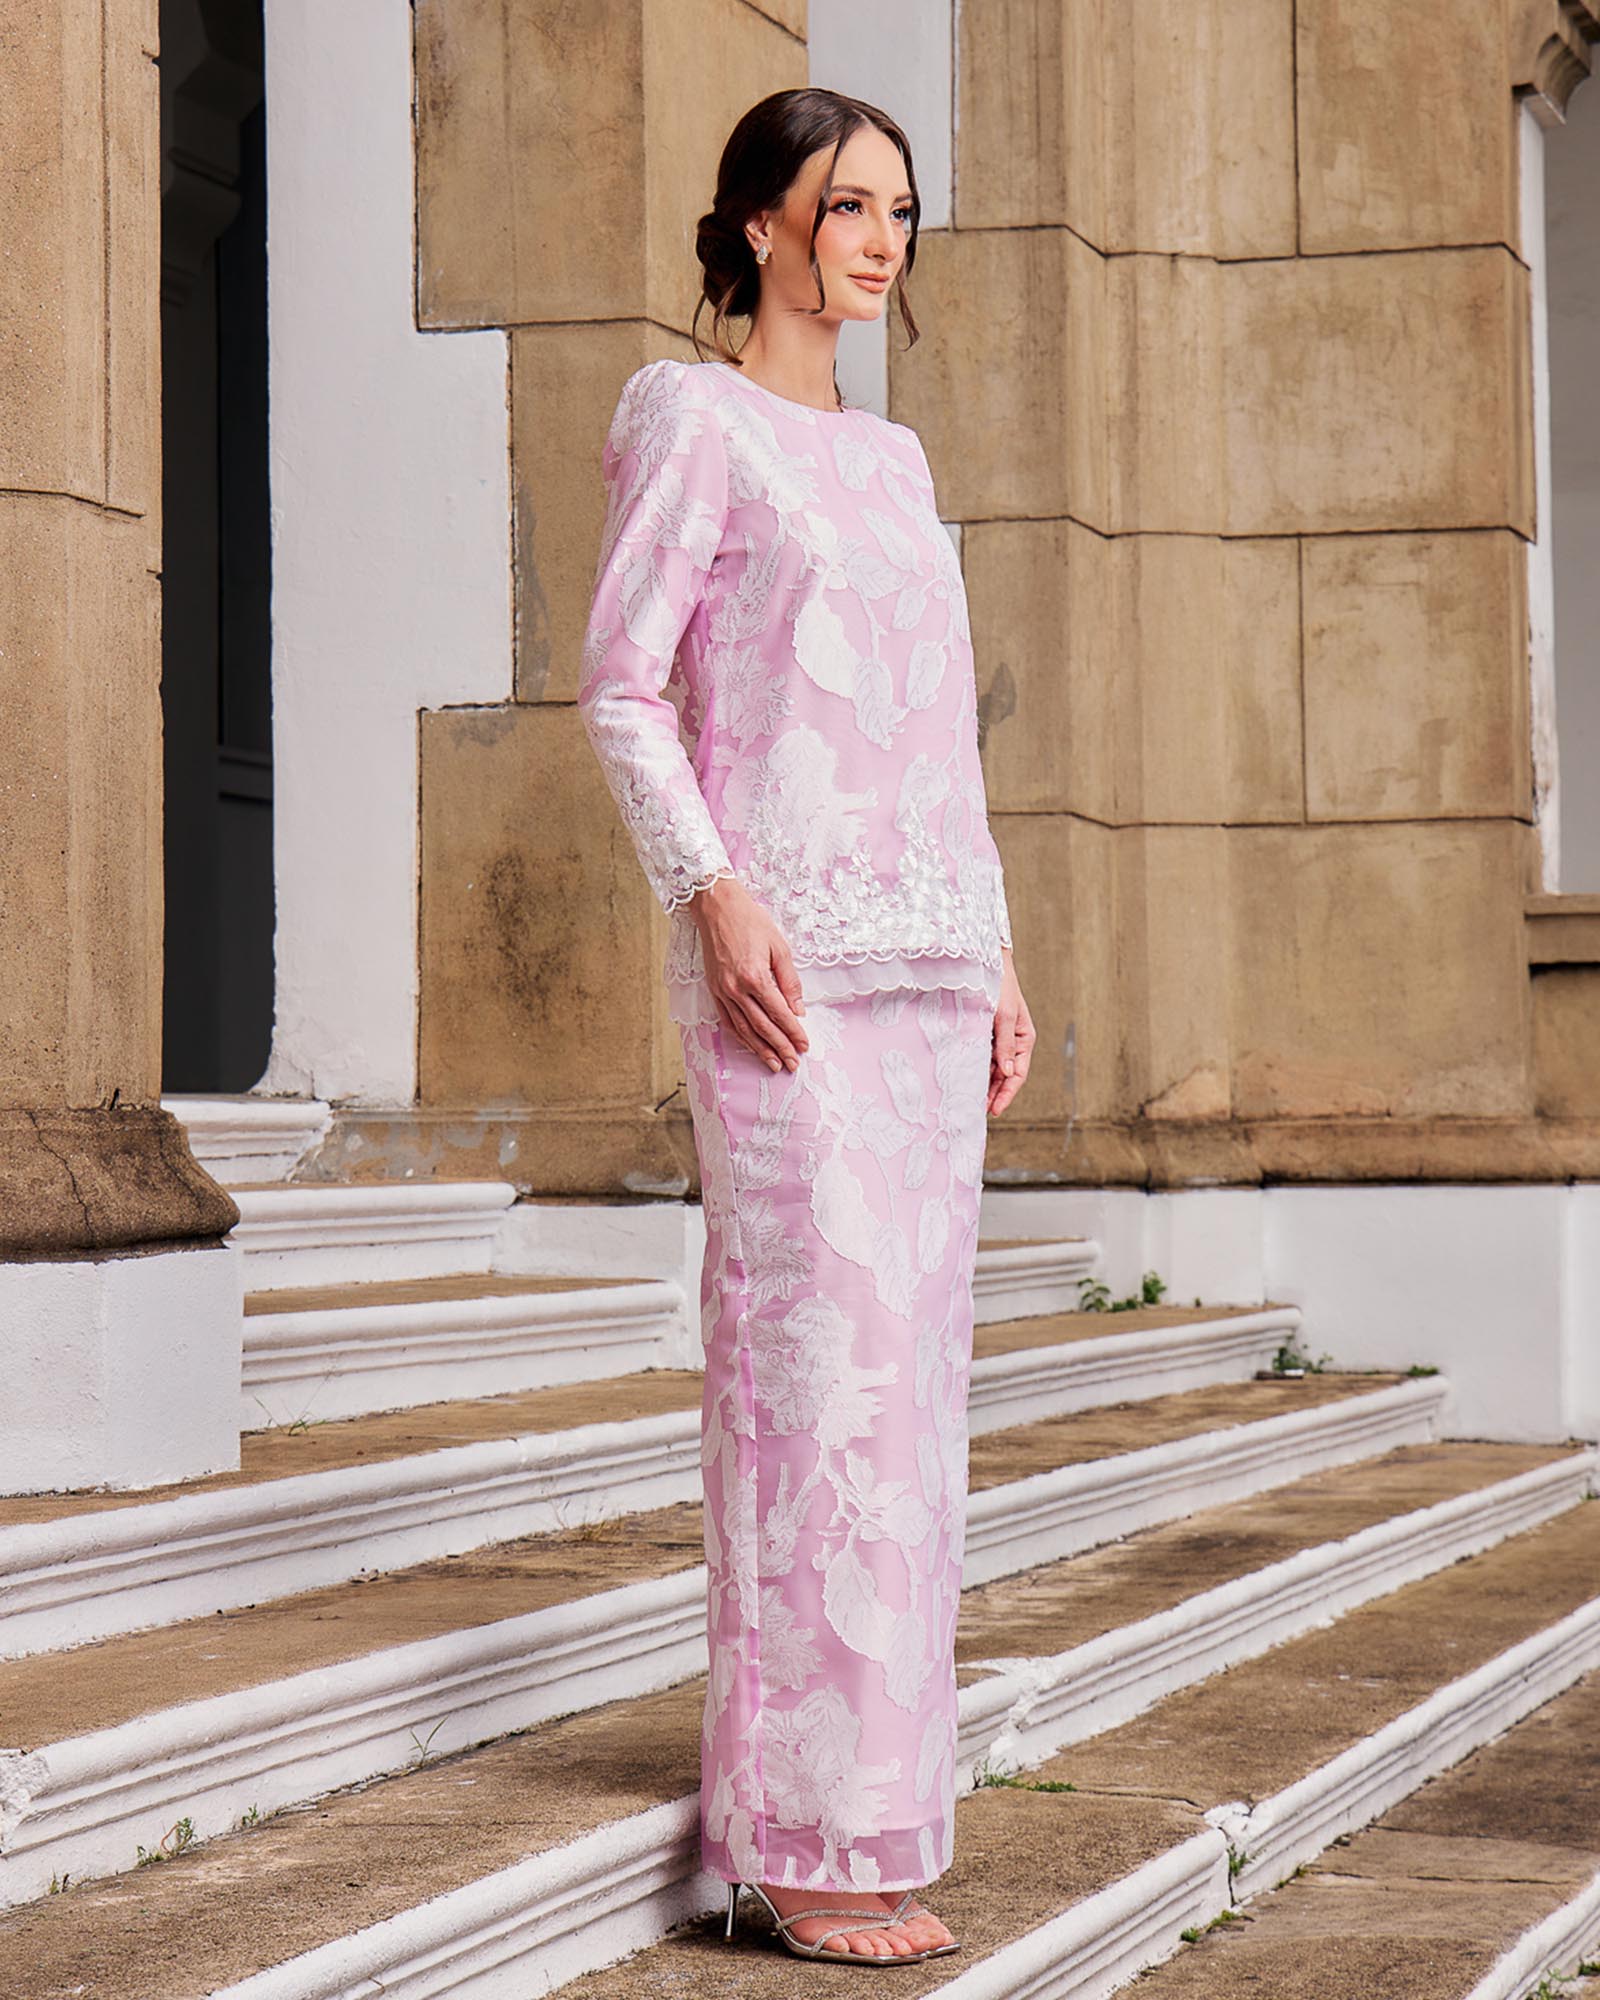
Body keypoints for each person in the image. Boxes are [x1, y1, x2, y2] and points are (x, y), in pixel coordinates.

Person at [578, 85, 1035, 1967]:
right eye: (848, 204)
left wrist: (996, 952)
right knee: (810, 1389)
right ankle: (791, 1837)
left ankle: (882, 1819)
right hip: (781, 988)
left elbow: (937, 733)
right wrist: (714, 893)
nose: (880, 240)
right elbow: (623, 690)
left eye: (900, 212)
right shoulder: (690, 420)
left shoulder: (899, 463)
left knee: (908, 1415)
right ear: (761, 220)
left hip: (927, 983)